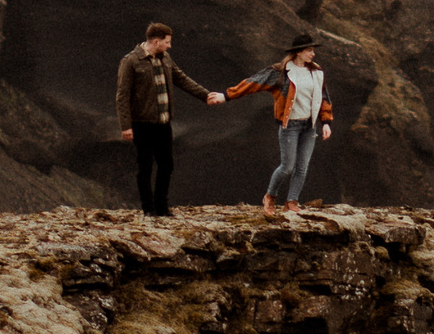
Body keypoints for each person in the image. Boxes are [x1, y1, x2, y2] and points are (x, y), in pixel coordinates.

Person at [114, 22, 224, 217]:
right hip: (142, 124)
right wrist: (126, 126)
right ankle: (148, 209)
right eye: (167, 42)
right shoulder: (130, 61)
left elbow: (181, 78)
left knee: (166, 165)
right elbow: (122, 95)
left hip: (164, 123)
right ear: (156, 41)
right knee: (145, 166)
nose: (169, 46)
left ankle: (162, 207)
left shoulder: (166, 58)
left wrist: (205, 95)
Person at [227, 36, 333, 216]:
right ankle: (270, 197)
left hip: (310, 126)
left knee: (302, 167)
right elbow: (254, 83)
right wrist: (227, 96)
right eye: (309, 50)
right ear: (298, 52)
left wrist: (326, 122)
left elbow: (323, 99)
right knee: (287, 166)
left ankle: (292, 201)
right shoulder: (281, 72)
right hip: (290, 126)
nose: (313, 54)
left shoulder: (317, 72)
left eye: (313, 50)